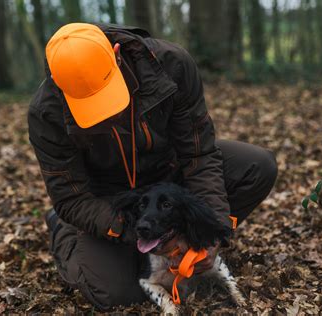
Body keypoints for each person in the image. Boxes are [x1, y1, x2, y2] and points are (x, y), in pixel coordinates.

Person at [28, 23, 277, 310]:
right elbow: (71, 198)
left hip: (170, 176)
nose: (106, 116)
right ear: (59, 86)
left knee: (258, 166)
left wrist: (211, 232)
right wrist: (133, 229)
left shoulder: (171, 65)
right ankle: (64, 232)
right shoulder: (46, 113)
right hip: (110, 201)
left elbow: (199, 155)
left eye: (106, 95)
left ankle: (183, 241)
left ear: (117, 54)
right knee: (113, 294)